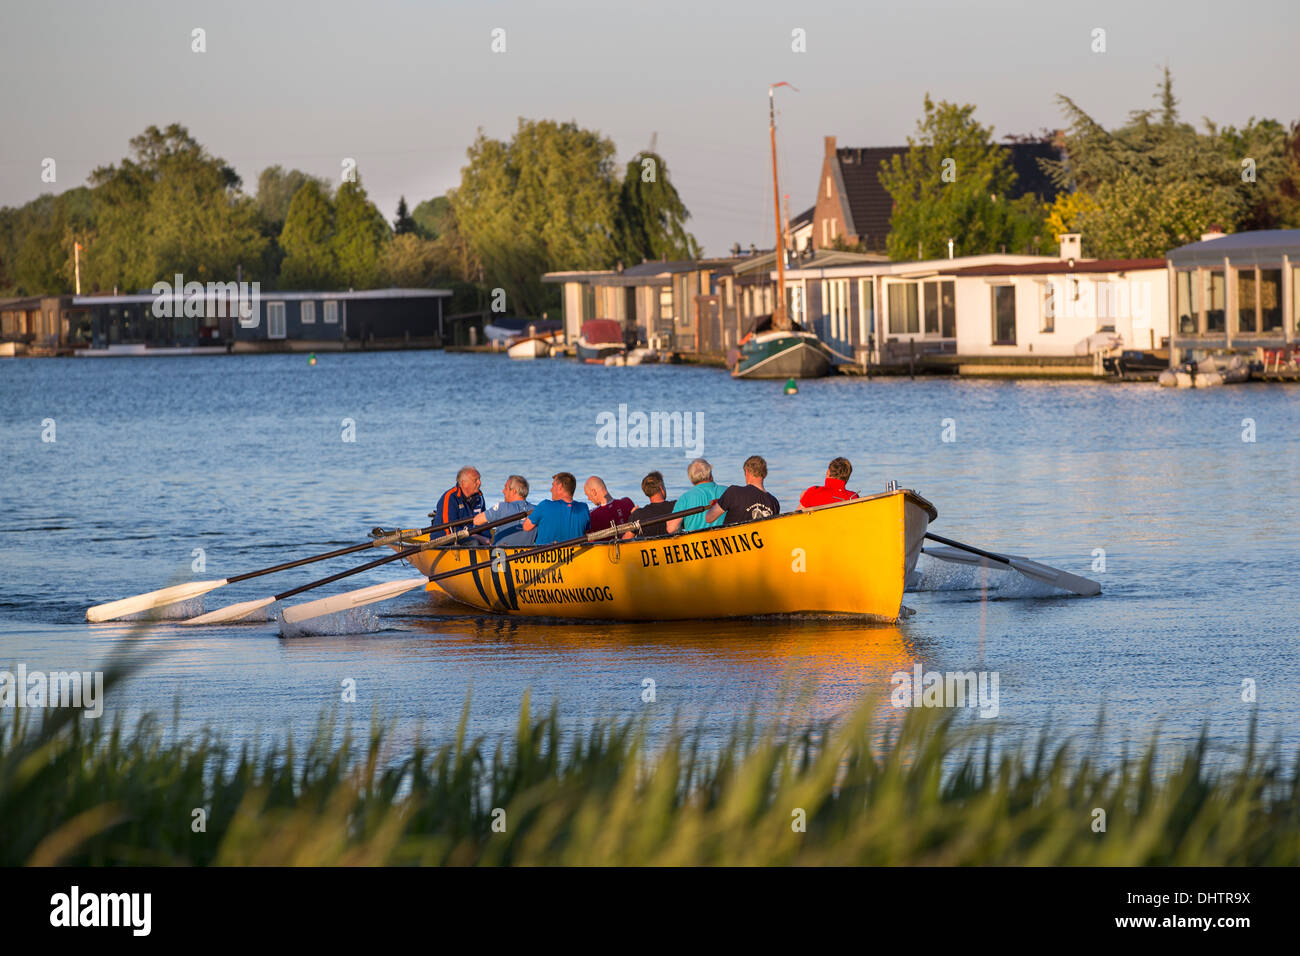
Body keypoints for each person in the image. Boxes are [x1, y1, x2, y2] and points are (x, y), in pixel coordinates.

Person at [497, 472, 590, 546]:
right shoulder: (584, 508)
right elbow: (586, 531)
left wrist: (538, 516)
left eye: (553, 485)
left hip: (545, 560)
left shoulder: (545, 505)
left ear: (560, 487)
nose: (551, 489)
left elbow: (526, 527)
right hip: (574, 558)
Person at [705, 455, 780, 526]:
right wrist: (722, 502)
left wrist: (720, 503)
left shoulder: (733, 492)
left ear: (747, 472)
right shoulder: (774, 502)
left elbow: (709, 518)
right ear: (765, 474)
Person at [665, 458, 726, 534]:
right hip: (726, 540)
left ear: (691, 478)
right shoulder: (727, 491)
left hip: (696, 543)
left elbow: (671, 529)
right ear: (710, 473)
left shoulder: (685, 498)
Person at [473, 475, 533, 544]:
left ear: (513, 491)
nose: (503, 491)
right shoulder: (536, 509)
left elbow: (477, 521)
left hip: (500, 553)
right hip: (528, 552)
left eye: (506, 488)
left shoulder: (503, 507)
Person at [630, 471, 676, 537]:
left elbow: (625, 539)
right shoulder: (677, 506)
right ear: (661, 487)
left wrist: (632, 518)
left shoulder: (638, 514)